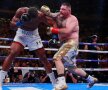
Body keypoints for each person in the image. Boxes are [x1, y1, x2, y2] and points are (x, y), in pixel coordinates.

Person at [41, 3, 98, 90]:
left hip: (71, 43)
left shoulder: (73, 19)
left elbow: (67, 31)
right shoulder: (59, 15)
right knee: (72, 68)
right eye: (60, 9)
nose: (61, 11)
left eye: (63, 9)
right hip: (65, 44)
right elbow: (51, 14)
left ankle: (62, 83)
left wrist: (53, 30)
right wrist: (46, 11)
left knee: (57, 57)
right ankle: (91, 79)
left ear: (69, 10)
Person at [0, 6, 56, 87]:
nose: (32, 20)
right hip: (21, 33)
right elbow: (12, 26)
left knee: (43, 57)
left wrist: (54, 37)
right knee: (13, 53)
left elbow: (53, 22)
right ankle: (0, 83)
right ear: (27, 13)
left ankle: (54, 83)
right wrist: (20, 22)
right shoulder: (21, 11)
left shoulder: (40, 15)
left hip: (34, 35)